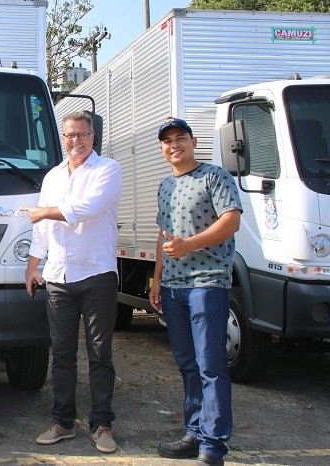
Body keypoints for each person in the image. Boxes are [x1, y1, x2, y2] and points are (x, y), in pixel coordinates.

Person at [22, 110, 122, 454]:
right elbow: (42, 230)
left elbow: (88, 207)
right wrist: (33, 266)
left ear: (93, 137)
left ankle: (102, 425)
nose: (75, 141)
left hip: (97, 274)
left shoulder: (107, 169)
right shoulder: (52, 176)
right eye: (69, 136)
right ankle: (63, 422)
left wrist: (43, 211)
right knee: (62, 354)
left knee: (99, 354)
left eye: (82, 135)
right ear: (62, 138)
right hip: (59, 276)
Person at [149, 117, 242, 466]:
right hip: (173, 288)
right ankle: (194, 432)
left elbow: (230, 220)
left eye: (180, 138)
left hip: (208, 283)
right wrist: (157, 280)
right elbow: (164, 235)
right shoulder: (164, 185)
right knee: (188, 364)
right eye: (168, 141)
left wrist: (190, 246)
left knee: (211, 366)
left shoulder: (215, 176)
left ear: (193, 141)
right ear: (162, 148)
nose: (175, 145)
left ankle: (213, 447)